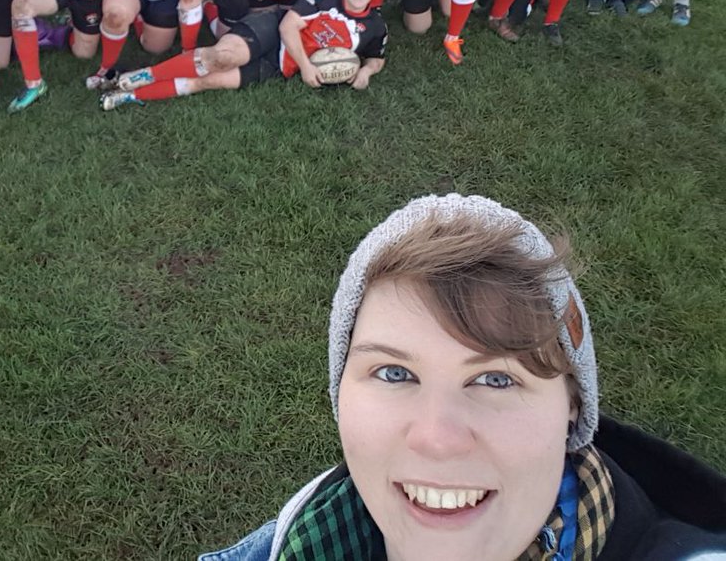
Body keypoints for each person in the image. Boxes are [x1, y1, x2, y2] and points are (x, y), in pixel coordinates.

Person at [199, 193, 726, 561]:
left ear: (571, 404)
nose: (437, 439)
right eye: (394, 371)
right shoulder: (297, 538)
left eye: (495, 379)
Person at [101, 0, 386, 110]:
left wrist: (366, 73)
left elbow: (377, 57)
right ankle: (142, 76)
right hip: (273, 32)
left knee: (208, 82)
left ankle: (133, 96)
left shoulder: (375, 26)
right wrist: (307, 66)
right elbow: (288, 26)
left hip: (280, 66)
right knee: (222, 57)